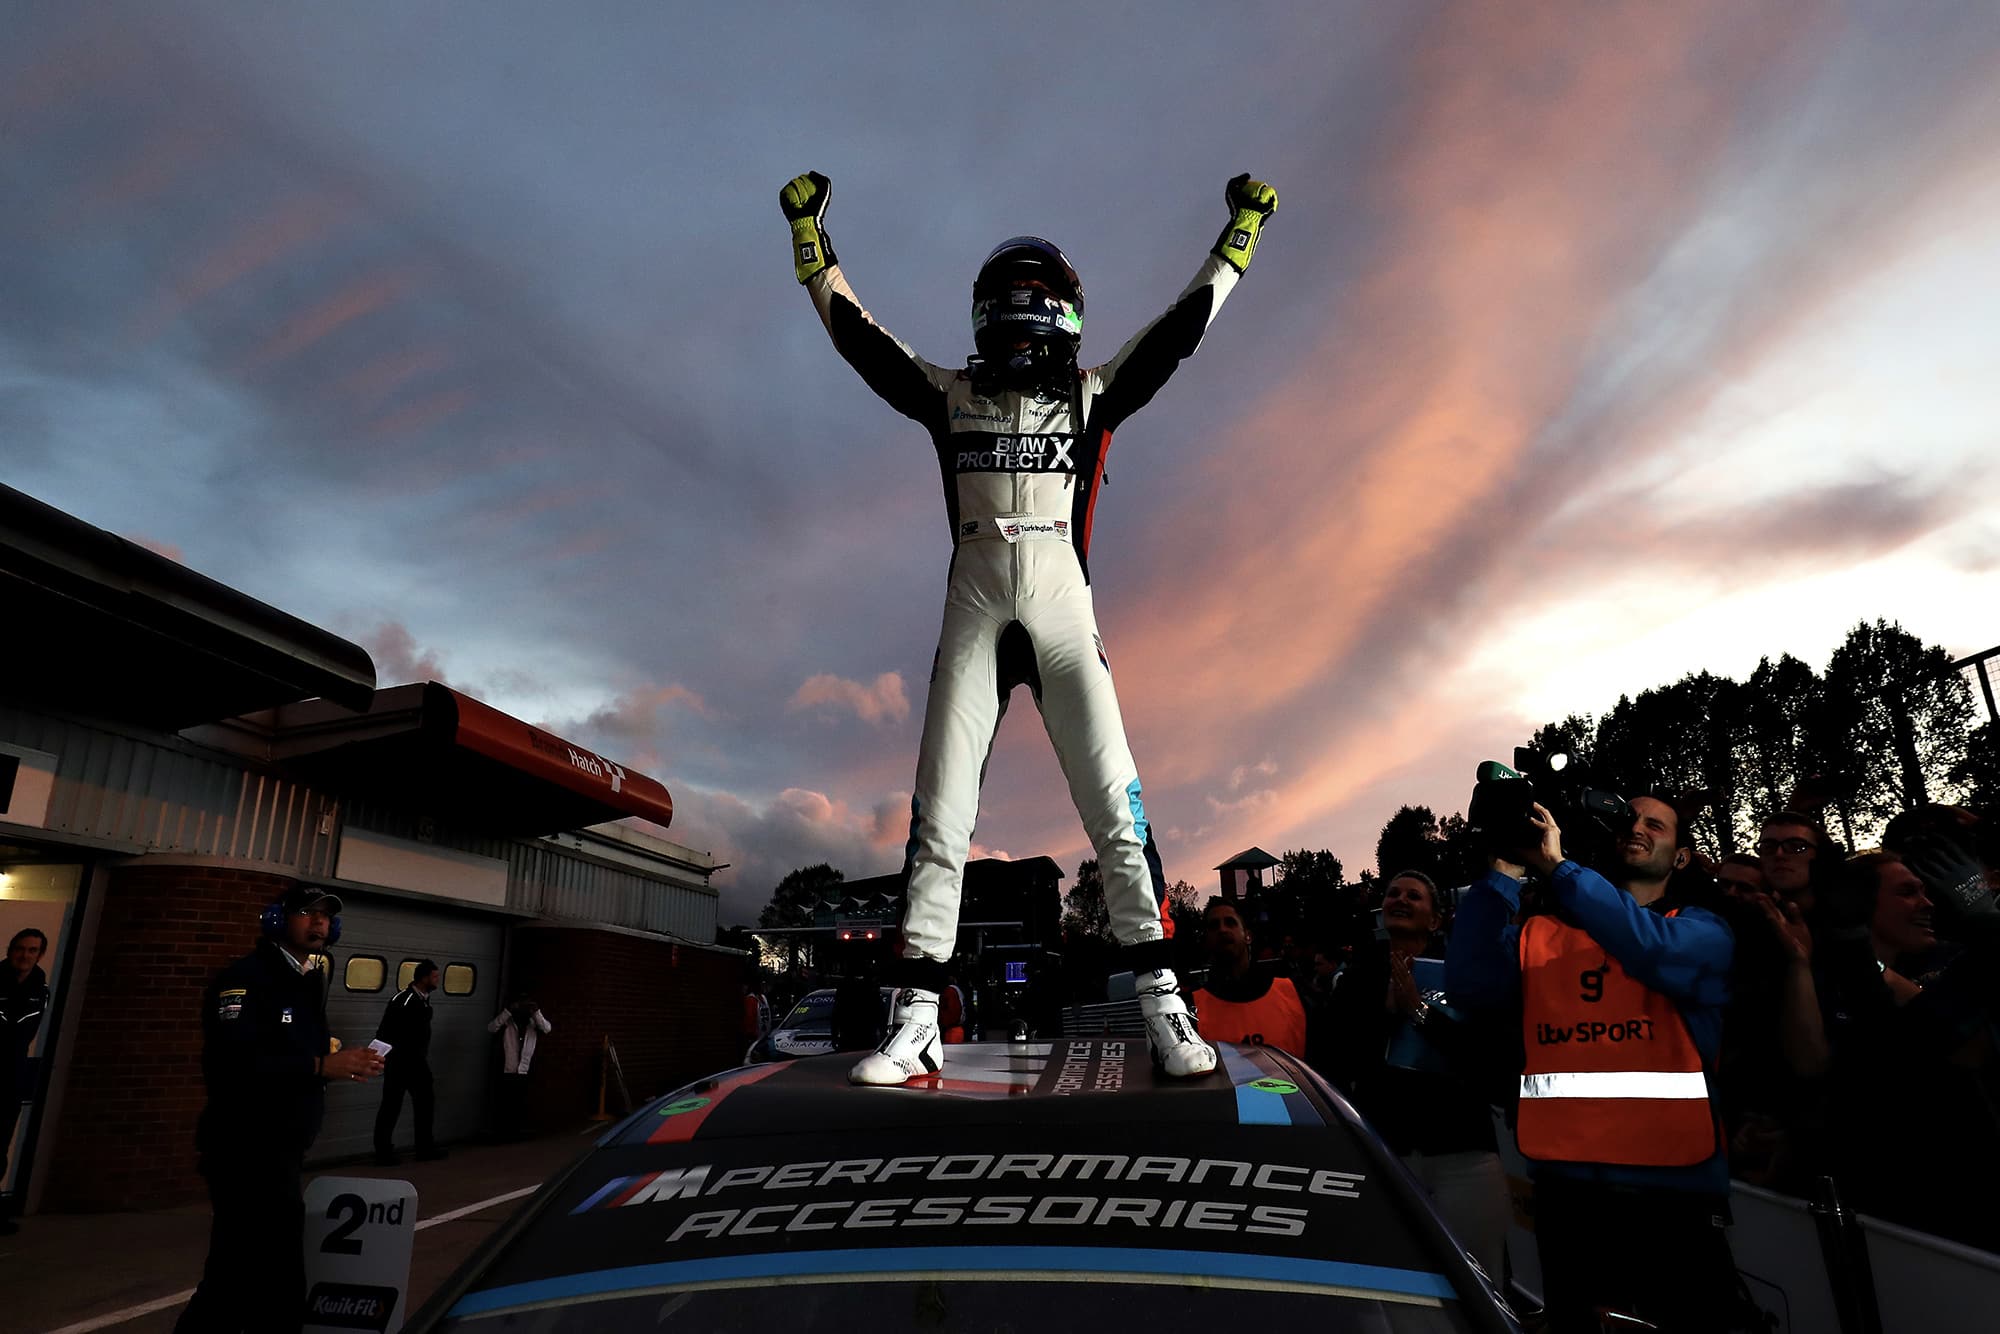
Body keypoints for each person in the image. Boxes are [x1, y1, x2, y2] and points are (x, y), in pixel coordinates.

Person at [781, 168, 1278, 1085]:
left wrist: (1237, 239)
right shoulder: (948, 396)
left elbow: (1177, 337)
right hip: (978, 609)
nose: (1019, 310)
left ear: (1063, 313)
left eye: (1032, 296)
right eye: (1008, 298)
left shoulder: (1091, 397)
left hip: (1055, 612)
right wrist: (812, 245)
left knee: (1117, 817)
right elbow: (862, 343)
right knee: (939, 818)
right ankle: (918, 1014)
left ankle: (1164, 1006)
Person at [1449, 796, 1756, 1333]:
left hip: (1671, 1201)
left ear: (1680, 857)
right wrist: (1504, 869)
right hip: (1569, 1200)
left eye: (1653, 825)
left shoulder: (1703, 929)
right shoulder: (1544, 936)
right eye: (1626, 820)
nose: (1635, 828)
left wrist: (1559, 868)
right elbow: (1472, 986)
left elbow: (1650, 948)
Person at [178, 888, 383, 1334]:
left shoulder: (308, 979)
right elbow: (231, 1063)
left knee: (242, 1272)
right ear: (275, 919)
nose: (319, 923)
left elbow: (290, 1055)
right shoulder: (248, 979)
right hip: (247, 1146)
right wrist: (317, 1065)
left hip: (281, 1147)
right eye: (307, 913)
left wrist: (335, 1066)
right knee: (263, 1272)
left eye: (326, 917)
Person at [1321, 872, 1511, 1279]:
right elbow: (1335, 1060)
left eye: (1414, 895)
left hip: (1465, 1155)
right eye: (1393, 894)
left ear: (1436, 919)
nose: (1400, 900)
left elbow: (1488, 1063)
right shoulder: (1356, 979)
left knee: (1478, 1282)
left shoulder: (1466, 975)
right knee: (1396, 1283)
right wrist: (1385, 1013)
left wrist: (1420, 1013)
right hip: (1387, 1155)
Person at [1190, 898, 1307, 1055]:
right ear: (1206, 941)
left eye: (1230, 922)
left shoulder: (1291, 992)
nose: (1222, 930)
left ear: (1248, 935)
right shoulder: (1192, 1010)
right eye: (1214, 926)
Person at [1, 927, 49, 1235]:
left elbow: (28, 1031)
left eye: (32, 950)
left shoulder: (39, 990)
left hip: (11, 1075)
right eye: (21, 948)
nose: (25, 955)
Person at [373, 959, 444, 1164]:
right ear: (423, 978)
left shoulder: (423, 1000)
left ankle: (425, 1148)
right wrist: (385, 1057)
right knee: (391, 1107)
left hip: (417, 1062)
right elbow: (386, 1031)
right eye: (434, 976)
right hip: (401, 1063)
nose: (437, 980)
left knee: (425, 1104)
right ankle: (384, 1153)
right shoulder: (404, 1000)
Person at [488, 990, 552, 1140]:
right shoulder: (508, 1021)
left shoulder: (532, 1023)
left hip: (524, 1068)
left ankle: (515, 1132)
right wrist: (509, 1010)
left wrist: (536, 1012)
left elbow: (547, 1028)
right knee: (505, 1103)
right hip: (508, 1067)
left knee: (519, 1102)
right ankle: (503, 1132)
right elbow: (492, 1027)